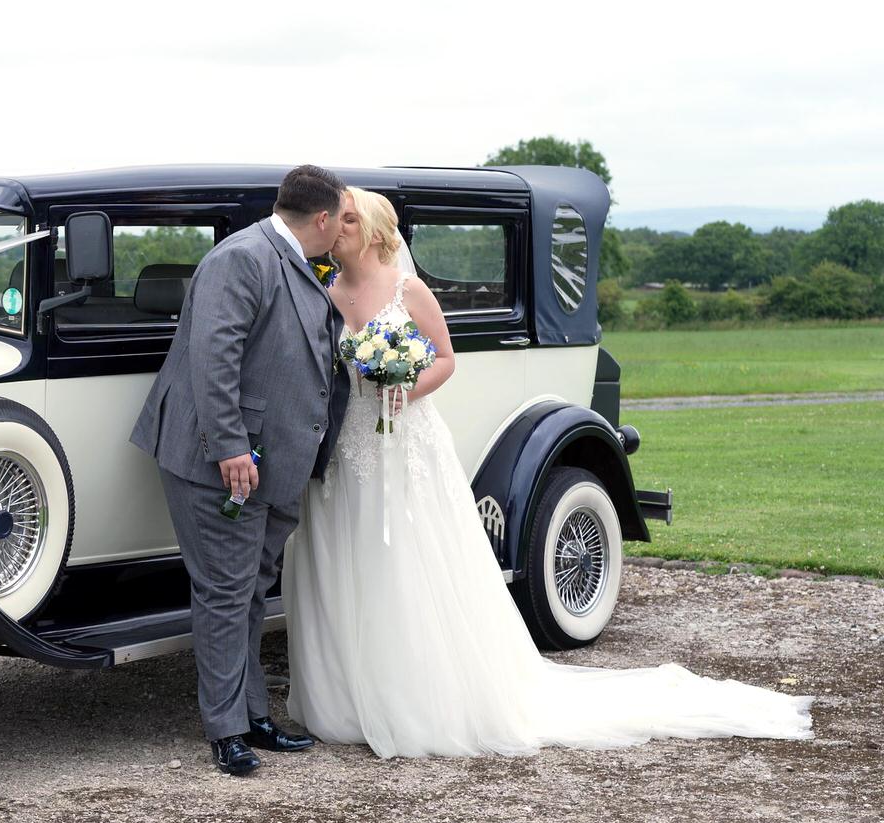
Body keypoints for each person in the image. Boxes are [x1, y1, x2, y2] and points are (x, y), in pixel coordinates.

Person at [282, 187, 814, 757]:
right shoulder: (329, 289)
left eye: (348, 219)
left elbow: (444, 357)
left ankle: (412, 695)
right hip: (351, 446)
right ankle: (349, 693)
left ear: (373, 228)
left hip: (405, 440)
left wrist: (404, 386)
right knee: (350, 555)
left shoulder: (408, 289)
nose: (337, 227)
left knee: (407, 559)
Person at [131, 164, 353, 775]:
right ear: (323, 218)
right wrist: (229, 447)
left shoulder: (297, 261)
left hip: (275, 461)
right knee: (226, 593)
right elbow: (214, 357)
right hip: (221, 461)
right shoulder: (244, 258)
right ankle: (226, 730)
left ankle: (254, 716)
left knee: (252, 589)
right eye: (343, 219)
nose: (343, 232)